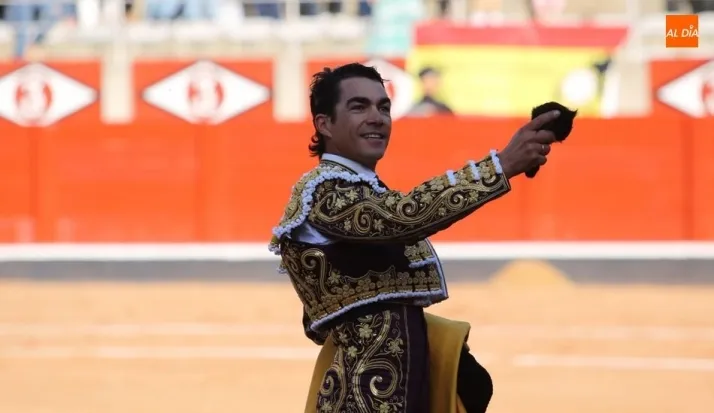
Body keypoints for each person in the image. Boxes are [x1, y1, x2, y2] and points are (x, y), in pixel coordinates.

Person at [268, 63, 559, 413]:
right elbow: (406, 216)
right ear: (325, 124)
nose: (377, 118)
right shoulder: (324, 193)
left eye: (384, 107)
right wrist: (500, 166)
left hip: (392, 390)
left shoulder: (360, 189)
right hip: (363, 399)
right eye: (359, 106)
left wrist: (436, 342)